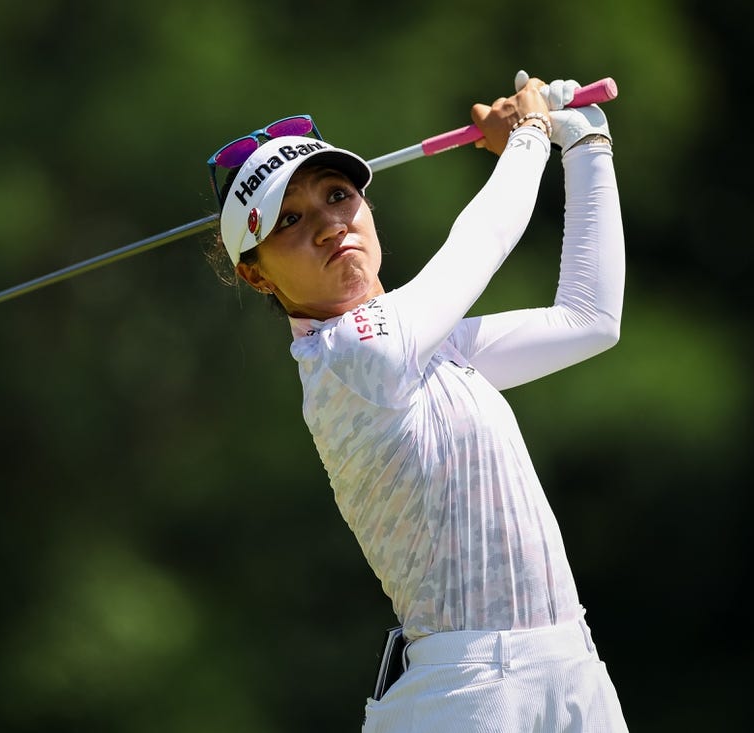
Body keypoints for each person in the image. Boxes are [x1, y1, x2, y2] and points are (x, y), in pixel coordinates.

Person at [204, 71, 628, 732]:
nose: (327, 226)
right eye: (288, 220)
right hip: (465, 694)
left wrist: (586, 147)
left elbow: (590, 319)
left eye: (338, 196)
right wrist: (530, 136)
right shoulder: (353, 357)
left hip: (573, 668)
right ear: (254, 272)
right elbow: (483, 242)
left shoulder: (430, 349)